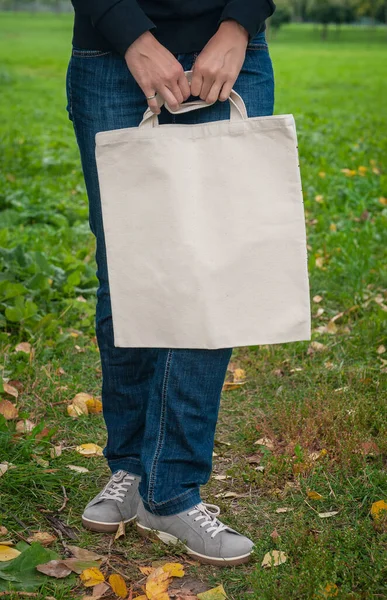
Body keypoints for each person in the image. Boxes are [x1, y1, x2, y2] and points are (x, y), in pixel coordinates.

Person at [66, 0, 275, 567]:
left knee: (211, 279)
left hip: (233, 54)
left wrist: (238, 24)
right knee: (130, 271)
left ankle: (172, 490)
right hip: (111, 57)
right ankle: (130, 467)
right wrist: (131, 34)